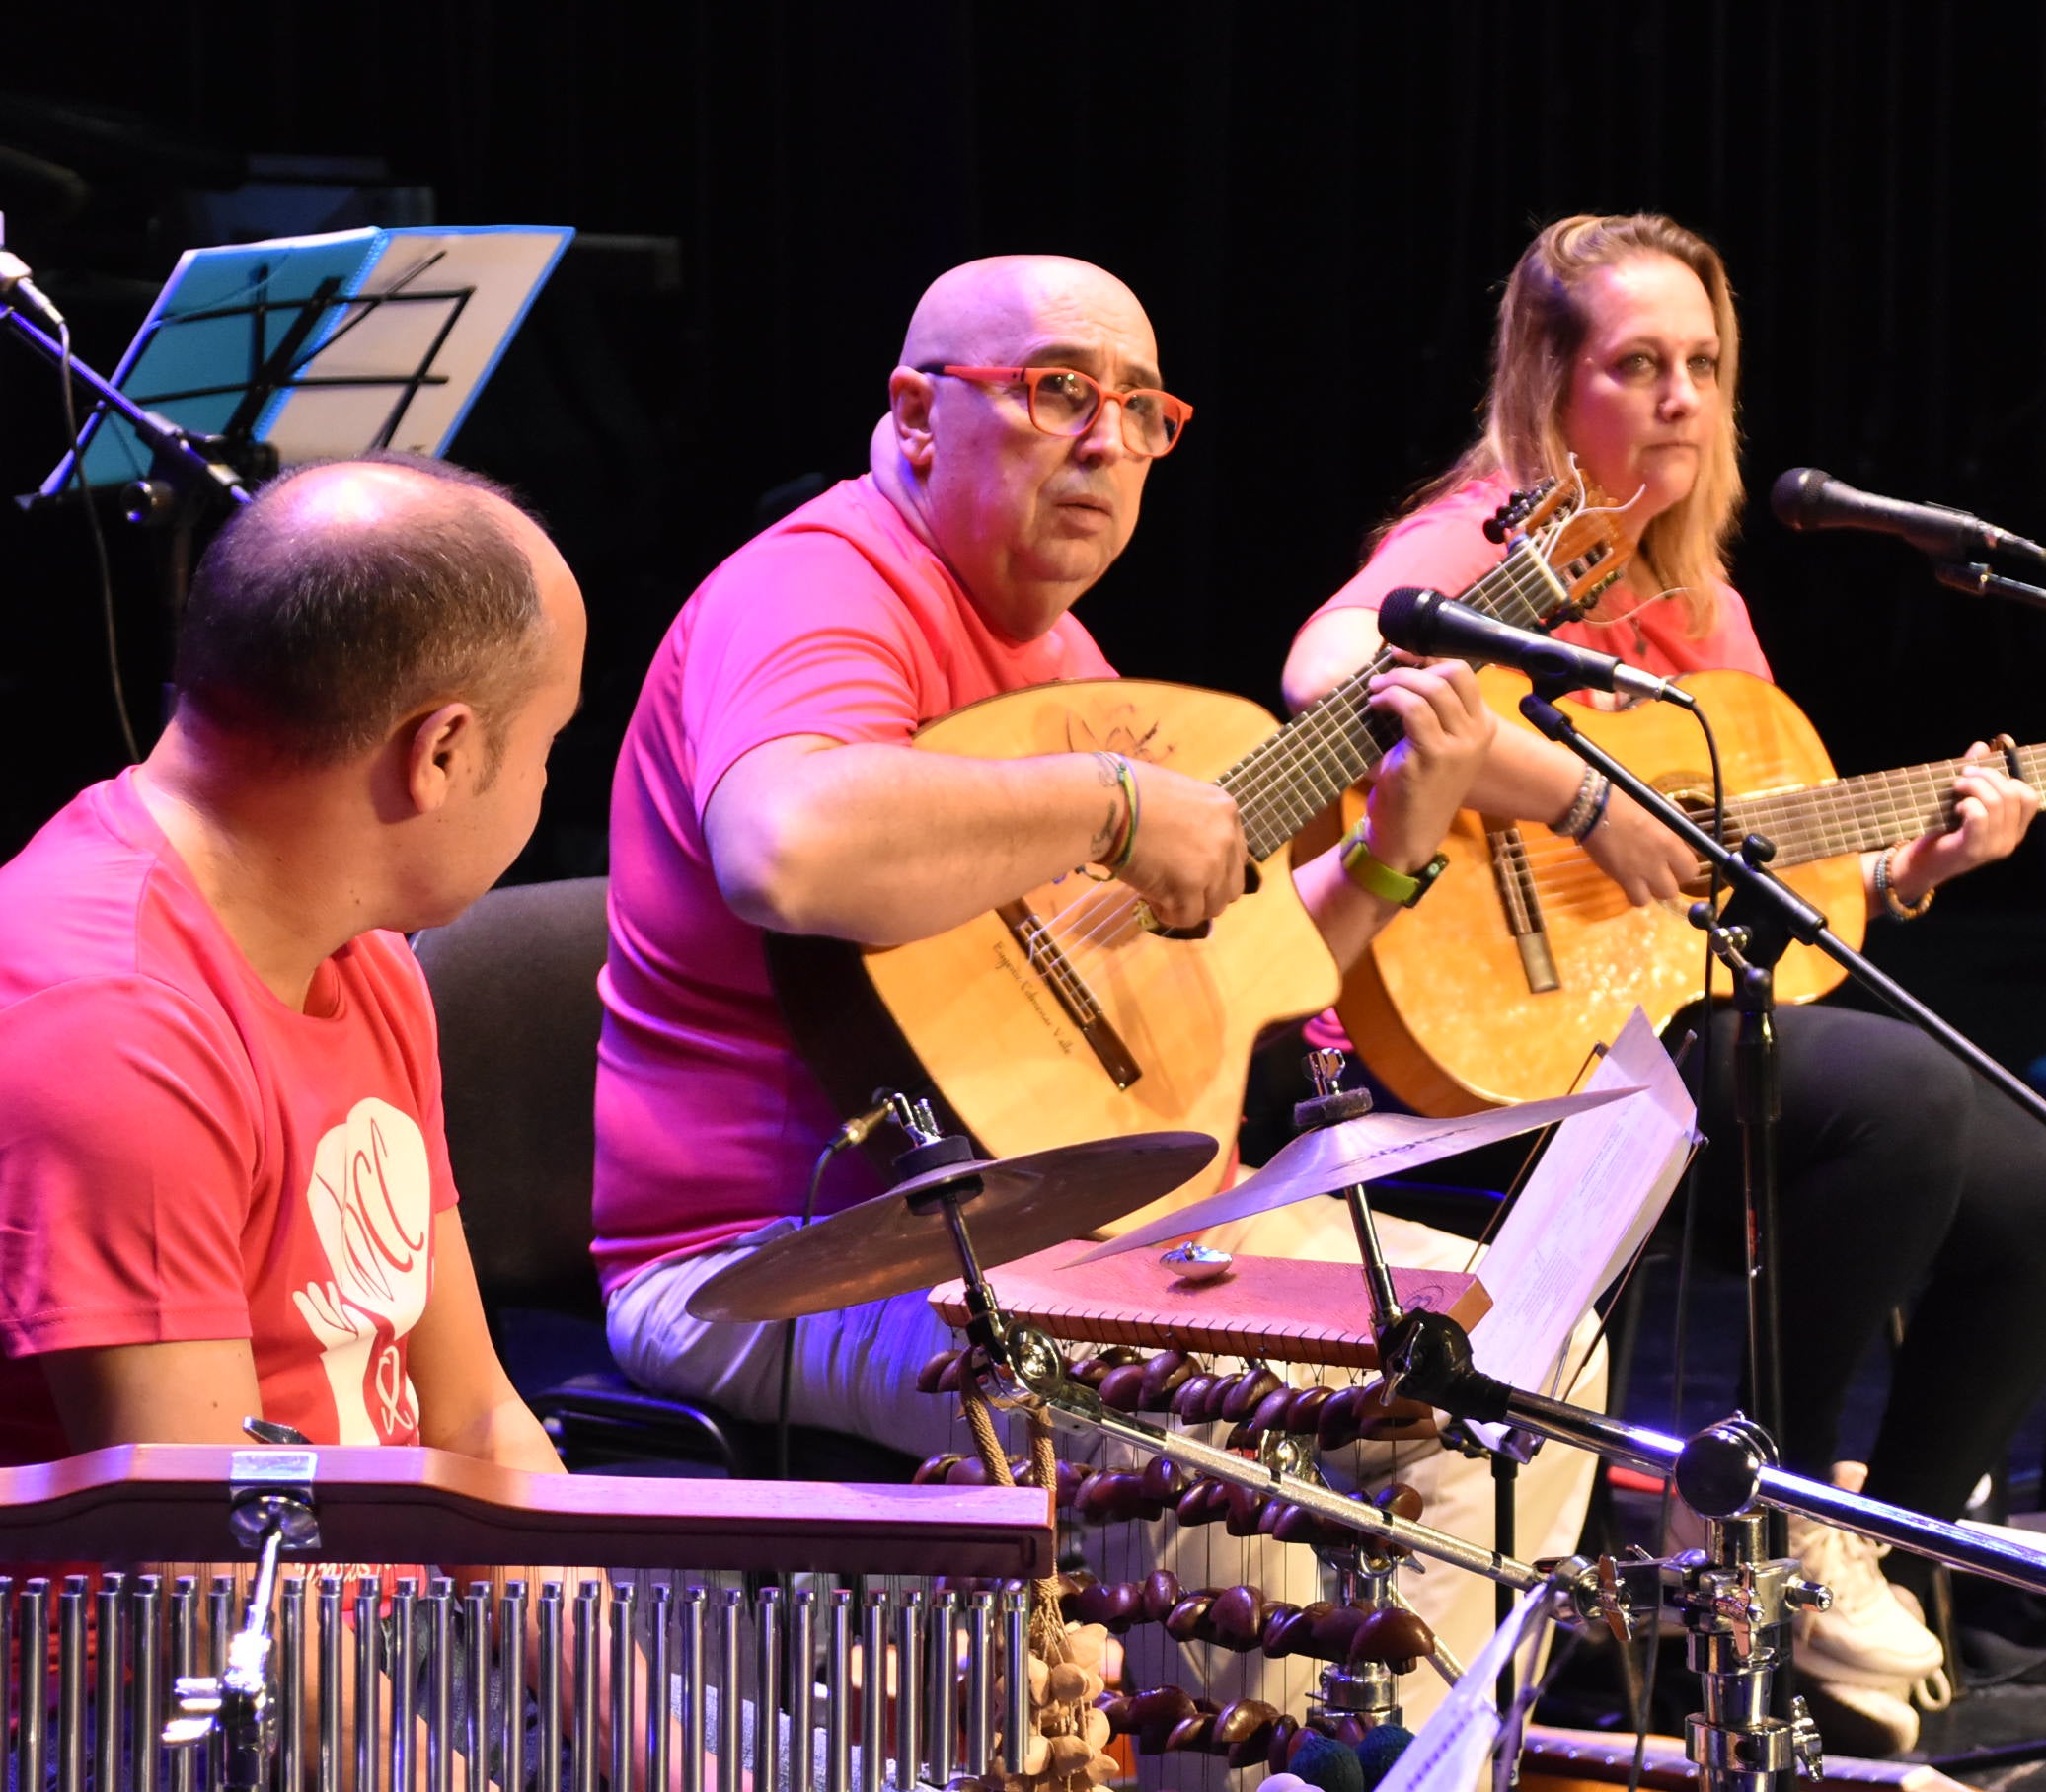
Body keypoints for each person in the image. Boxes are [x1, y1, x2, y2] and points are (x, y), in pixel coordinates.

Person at [591, 254, 1577, 1720]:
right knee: (1204, 1418)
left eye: (1143, 410)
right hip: (778, 1253)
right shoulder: (818, 590)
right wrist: (1113, 799)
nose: (1108, 441)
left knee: (1526, 1346)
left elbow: (1191, 985)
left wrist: (1387, 852)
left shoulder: (1053, 646)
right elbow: (785, 847)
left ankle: (1407, 1751)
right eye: (1059, 391)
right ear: (918, 414)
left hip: (1059, 1214)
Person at [1284, 212, 2046, 1752]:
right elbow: (1334, 668)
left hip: (1645, 1021)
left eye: (1705, 367)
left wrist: (1914, 870)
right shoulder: (1499, 536)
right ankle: (1758, 1522)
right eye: (1636, 364)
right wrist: (1581, 800)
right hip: (1468, 1050)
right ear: (1549, 381)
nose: (1679, 397)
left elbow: (1750, 901)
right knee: (1902, 1100)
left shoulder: (1705, 606)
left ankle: (1886, 1562)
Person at [0, 454, 583, 1473]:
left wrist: (600, 1636)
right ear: (439, 752)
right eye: (549, 739)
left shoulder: (363, 956)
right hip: (242, 1626)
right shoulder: (116, 1031)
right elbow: (201, 1576)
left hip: (382, 1621)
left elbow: (476, 1420)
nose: (544, 779)